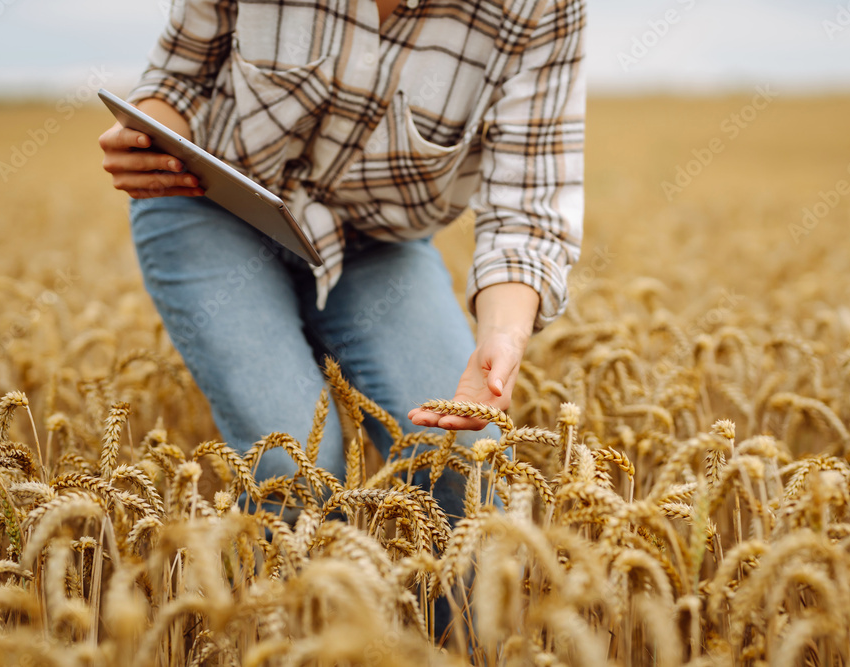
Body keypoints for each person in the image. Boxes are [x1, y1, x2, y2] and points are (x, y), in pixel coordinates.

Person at [98, 0, 585, 523]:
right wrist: (148, 136)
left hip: (376, 241)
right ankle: (288, 605)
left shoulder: (541, 8)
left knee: (467, 465)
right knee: (289, 467)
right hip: (213, 205)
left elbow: (526, 207)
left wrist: (504, 334)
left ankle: (447, 609)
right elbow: (181, 78)